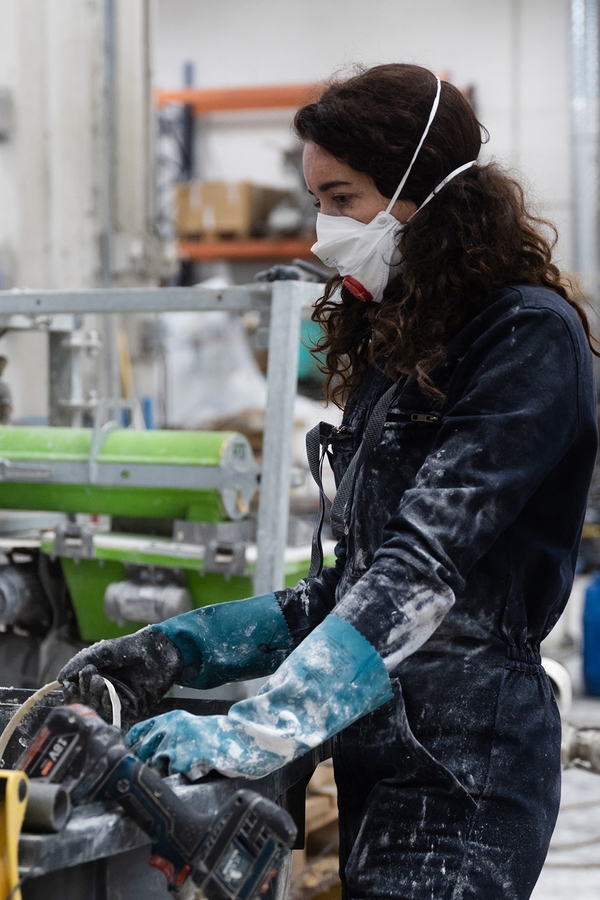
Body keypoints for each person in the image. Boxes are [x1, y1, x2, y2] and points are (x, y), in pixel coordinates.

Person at [59, 64, 598, 900]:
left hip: (468, 763)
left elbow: (420, 573)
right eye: (317, 200)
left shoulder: (525, 339)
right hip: (378, 749)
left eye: (343, 199)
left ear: (427, 191)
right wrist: (174, 649)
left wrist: (254, 731)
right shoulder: (403, 345)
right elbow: (345, 592)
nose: (323, 229)